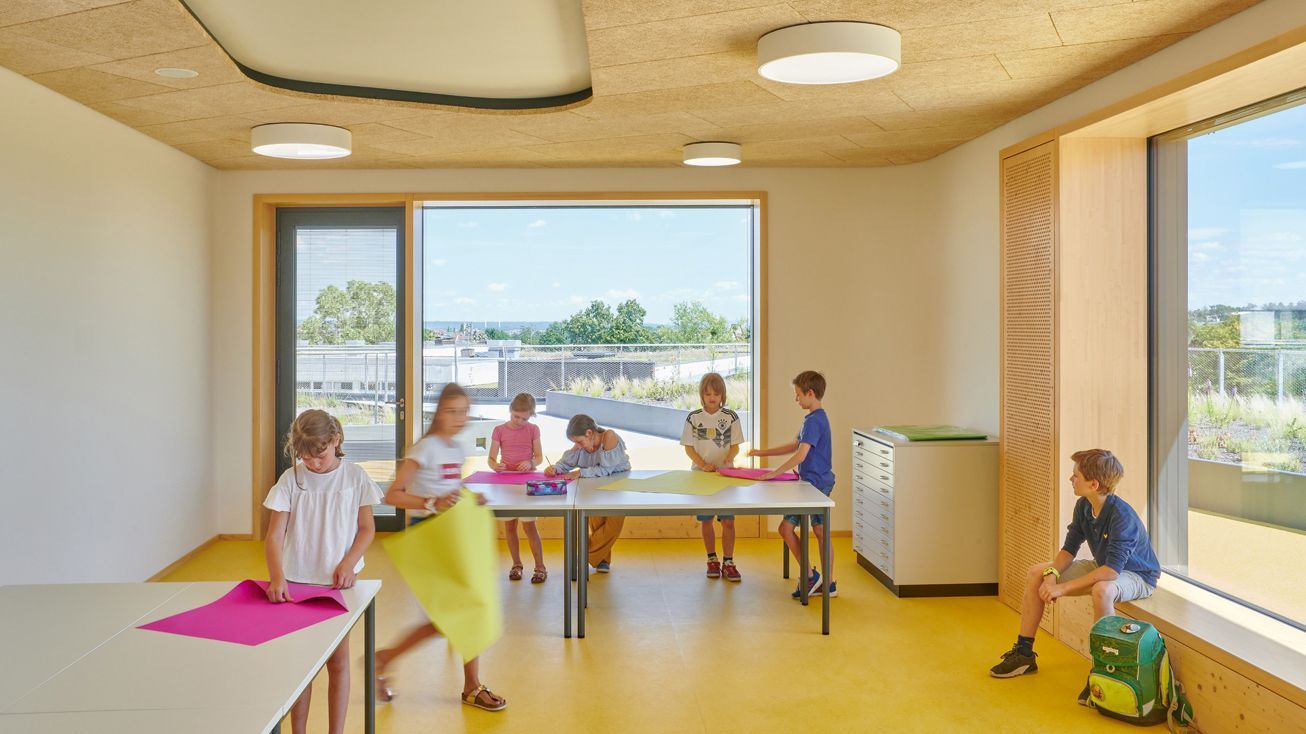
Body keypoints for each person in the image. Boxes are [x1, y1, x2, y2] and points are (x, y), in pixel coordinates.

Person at [375, 383, 507, 712]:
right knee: (456, 613)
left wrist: (466, 496)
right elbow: (393, 495)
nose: (459, 418)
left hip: (453, 535)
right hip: (430, 537)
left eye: (464, 411)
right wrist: (432, 502)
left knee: (464, 609)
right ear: (439, 413)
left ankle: (388, 660)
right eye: (452, 411)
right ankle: (468, 685)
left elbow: (450, 488)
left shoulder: (455, 449)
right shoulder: (425, 448)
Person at [989, 448, 1159, 686]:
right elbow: (1069, 549)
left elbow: (1111, 572)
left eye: (1075, 475)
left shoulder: (1122, 517)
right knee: (1037, 572)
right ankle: (1024, 654)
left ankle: (1102, 672)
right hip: (1105, 567)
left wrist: (1062, 588)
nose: (1071, 479)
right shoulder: (1083, 506)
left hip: (1137, 575)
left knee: (1103, 589)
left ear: (1094, 484)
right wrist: (1052, 575)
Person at [264, 409, 382, 734]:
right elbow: (274, 535)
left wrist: (349, 562)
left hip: (336, 587)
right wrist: (277, 577)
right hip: (296, 584)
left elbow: (367, 529)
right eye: (306, 457)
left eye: (321, 454)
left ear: (336, 440)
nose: (315, 463)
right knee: (302, 667)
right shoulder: (291, 479)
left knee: (338, 662)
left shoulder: (355, 477)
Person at [749, 370, 837, 599]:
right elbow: (794, 446)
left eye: (798, 395)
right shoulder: (810, 419)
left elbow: (800, 455)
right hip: (808, 484)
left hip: (818, 485)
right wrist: (761, 453)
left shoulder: (816, 420)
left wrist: (775, 473)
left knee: (818, 530)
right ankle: (813, 577)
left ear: (810, 393)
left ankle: (825, 583)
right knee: (789, 529)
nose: (796, 400)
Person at [545, 414, 631, 572]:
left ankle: (582, 555)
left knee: (613, 524)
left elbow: (606, 470)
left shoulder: (609, 436)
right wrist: (554, 468)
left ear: (589, 433)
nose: (577, 445)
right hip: (593, 487)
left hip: (618, 486)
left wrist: (580, 472)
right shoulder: (581, 445)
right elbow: (565, 463)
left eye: (578, 441)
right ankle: (602, 559)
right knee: (597, 522)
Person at [681, 372, 745, 581]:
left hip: (725, 478)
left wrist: (727, 459)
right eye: (707, 394)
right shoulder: (693, 418)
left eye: (716, 394)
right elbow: (689, 448)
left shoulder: (731, 417)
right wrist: (703, 465)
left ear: (722, 396)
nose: (712, 398)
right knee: (706, 520)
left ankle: (729, 561)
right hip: (701, 477)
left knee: (728, 521)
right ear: (702, 395)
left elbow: (735, 446)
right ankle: (711, 559)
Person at [488, 392, 546, 583]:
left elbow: (539, 457)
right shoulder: (498, 430)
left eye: (524, 418)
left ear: (531, 416)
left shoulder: (533, 429)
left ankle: (540, 567)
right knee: (510, 526)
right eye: (516, 417)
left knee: (530, 526)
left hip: (526, 484)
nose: (520, 421)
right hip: (504, 483)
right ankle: (516, 564)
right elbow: (491, 459)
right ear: (510, 410)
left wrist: (530, 462)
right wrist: (495, 465)